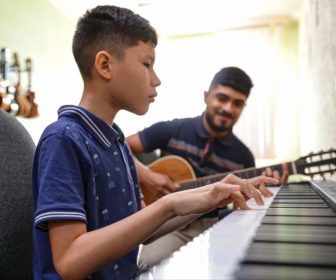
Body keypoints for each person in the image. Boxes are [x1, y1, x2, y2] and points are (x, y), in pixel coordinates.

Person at [31, 5, 279, 280]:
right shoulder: (64, 140)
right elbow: (69, 261)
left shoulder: (117, 144)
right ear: (105, 65)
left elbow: (142, 228)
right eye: (147, 64)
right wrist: (168, 204)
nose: (156, 79)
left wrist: (209, 197)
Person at [126, 67, 289, 267]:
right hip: (168, 224)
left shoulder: (244, 157)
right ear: (206, 96)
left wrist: (271, 187)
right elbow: (122, 147)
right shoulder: (173, 129)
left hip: (213, 224)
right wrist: (147, 175)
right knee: (149, 267)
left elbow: (242, 206)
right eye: (222, 98)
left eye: (237, 103)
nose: (228, 108)